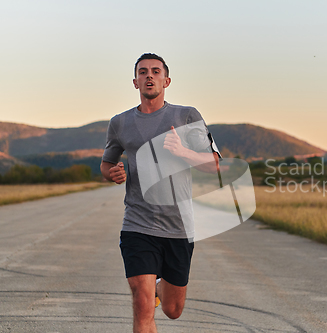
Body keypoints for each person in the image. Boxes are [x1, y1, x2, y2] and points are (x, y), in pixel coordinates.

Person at [101, 53, 220, 333]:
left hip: (178, 226)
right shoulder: (120, 123)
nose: (149, 76)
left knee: (172, 310)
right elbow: (107, 164)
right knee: (142, 304)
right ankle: (149, 287)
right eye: (143, 72)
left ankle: (159, 286)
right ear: (135, 82)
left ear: (167, 80)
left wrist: (182, 152)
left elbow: (213, 165)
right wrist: (112, 173)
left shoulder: (187, 115)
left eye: (155, 71)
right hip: (137, 223)